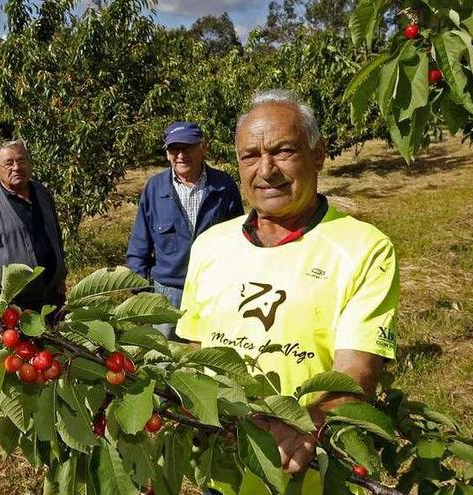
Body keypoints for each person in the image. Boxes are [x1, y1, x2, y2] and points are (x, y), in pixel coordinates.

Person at [175, 90, 398, 493]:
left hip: (311, 472)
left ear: (318, 154)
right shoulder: (210, 245)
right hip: (223, 469)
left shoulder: (363, 248)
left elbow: (358, 371)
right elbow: (193, 350)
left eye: (283, 151)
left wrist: (306, 426)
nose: (266, 170)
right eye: (250, 156)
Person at [125, 121, 243, 339]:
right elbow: (139, 246)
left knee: (210, 355)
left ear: (203, 147)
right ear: (167, 153)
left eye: (187, 147)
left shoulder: (224, 186)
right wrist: (145, 294)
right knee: (164, 360)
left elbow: (239, 242)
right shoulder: (155, 188)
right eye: (173, 149)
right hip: (168, 292)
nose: (180, 155)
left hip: (212, 290)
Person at [0, 139, 67, 314]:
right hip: (12, 306)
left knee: (57, 341)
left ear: (29, 165)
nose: (17, 168)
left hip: (51, 298)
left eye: (21, 161)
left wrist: (60, 275)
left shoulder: (41, 193)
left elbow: (55, 236)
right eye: (9, 163)